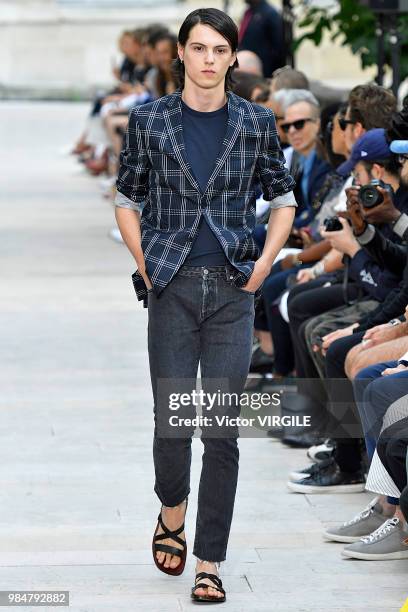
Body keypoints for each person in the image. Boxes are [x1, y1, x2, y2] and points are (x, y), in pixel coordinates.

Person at [114, 7, 296, 604]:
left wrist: (265, 263)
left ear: (232, 57)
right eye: (199, 48)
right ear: (182, 55)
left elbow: (283, 197)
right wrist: (146, 264)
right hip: (170, 286)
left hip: (232, 288)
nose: (209, 59)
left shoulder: (256, 122)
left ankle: (210, 560)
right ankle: (172, 510)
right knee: (173, 426)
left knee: (219, 433)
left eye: (220, 49)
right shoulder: (149, 122)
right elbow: (126, 196)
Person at [238, 0, 285, 77]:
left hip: (263, 72)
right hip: (246, 67)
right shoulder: (249, 12)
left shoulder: (270, 14)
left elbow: (279, 47)